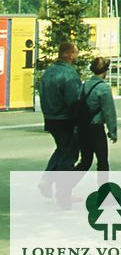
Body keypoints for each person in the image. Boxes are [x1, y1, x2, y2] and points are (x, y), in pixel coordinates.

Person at [38, 41, 82, 207]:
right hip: (66, 119)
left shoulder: (49, 72)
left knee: (61, 149)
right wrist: (79, 120)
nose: (77, 56)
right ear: (69, 55)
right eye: (76, 53)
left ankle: (47, 180)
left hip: (50, 117)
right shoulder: (69, 74)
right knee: (69, 154)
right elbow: (74, 101)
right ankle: (64, 193)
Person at [75, 56, 118, 182]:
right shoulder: (104, 88)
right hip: (96, 128)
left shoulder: (84, 85)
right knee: (102, 161)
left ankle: (65, 185)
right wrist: (113, 131)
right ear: (105, 71)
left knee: (85, 161)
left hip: (83, 127)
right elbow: (109, 112)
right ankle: (103, 194)